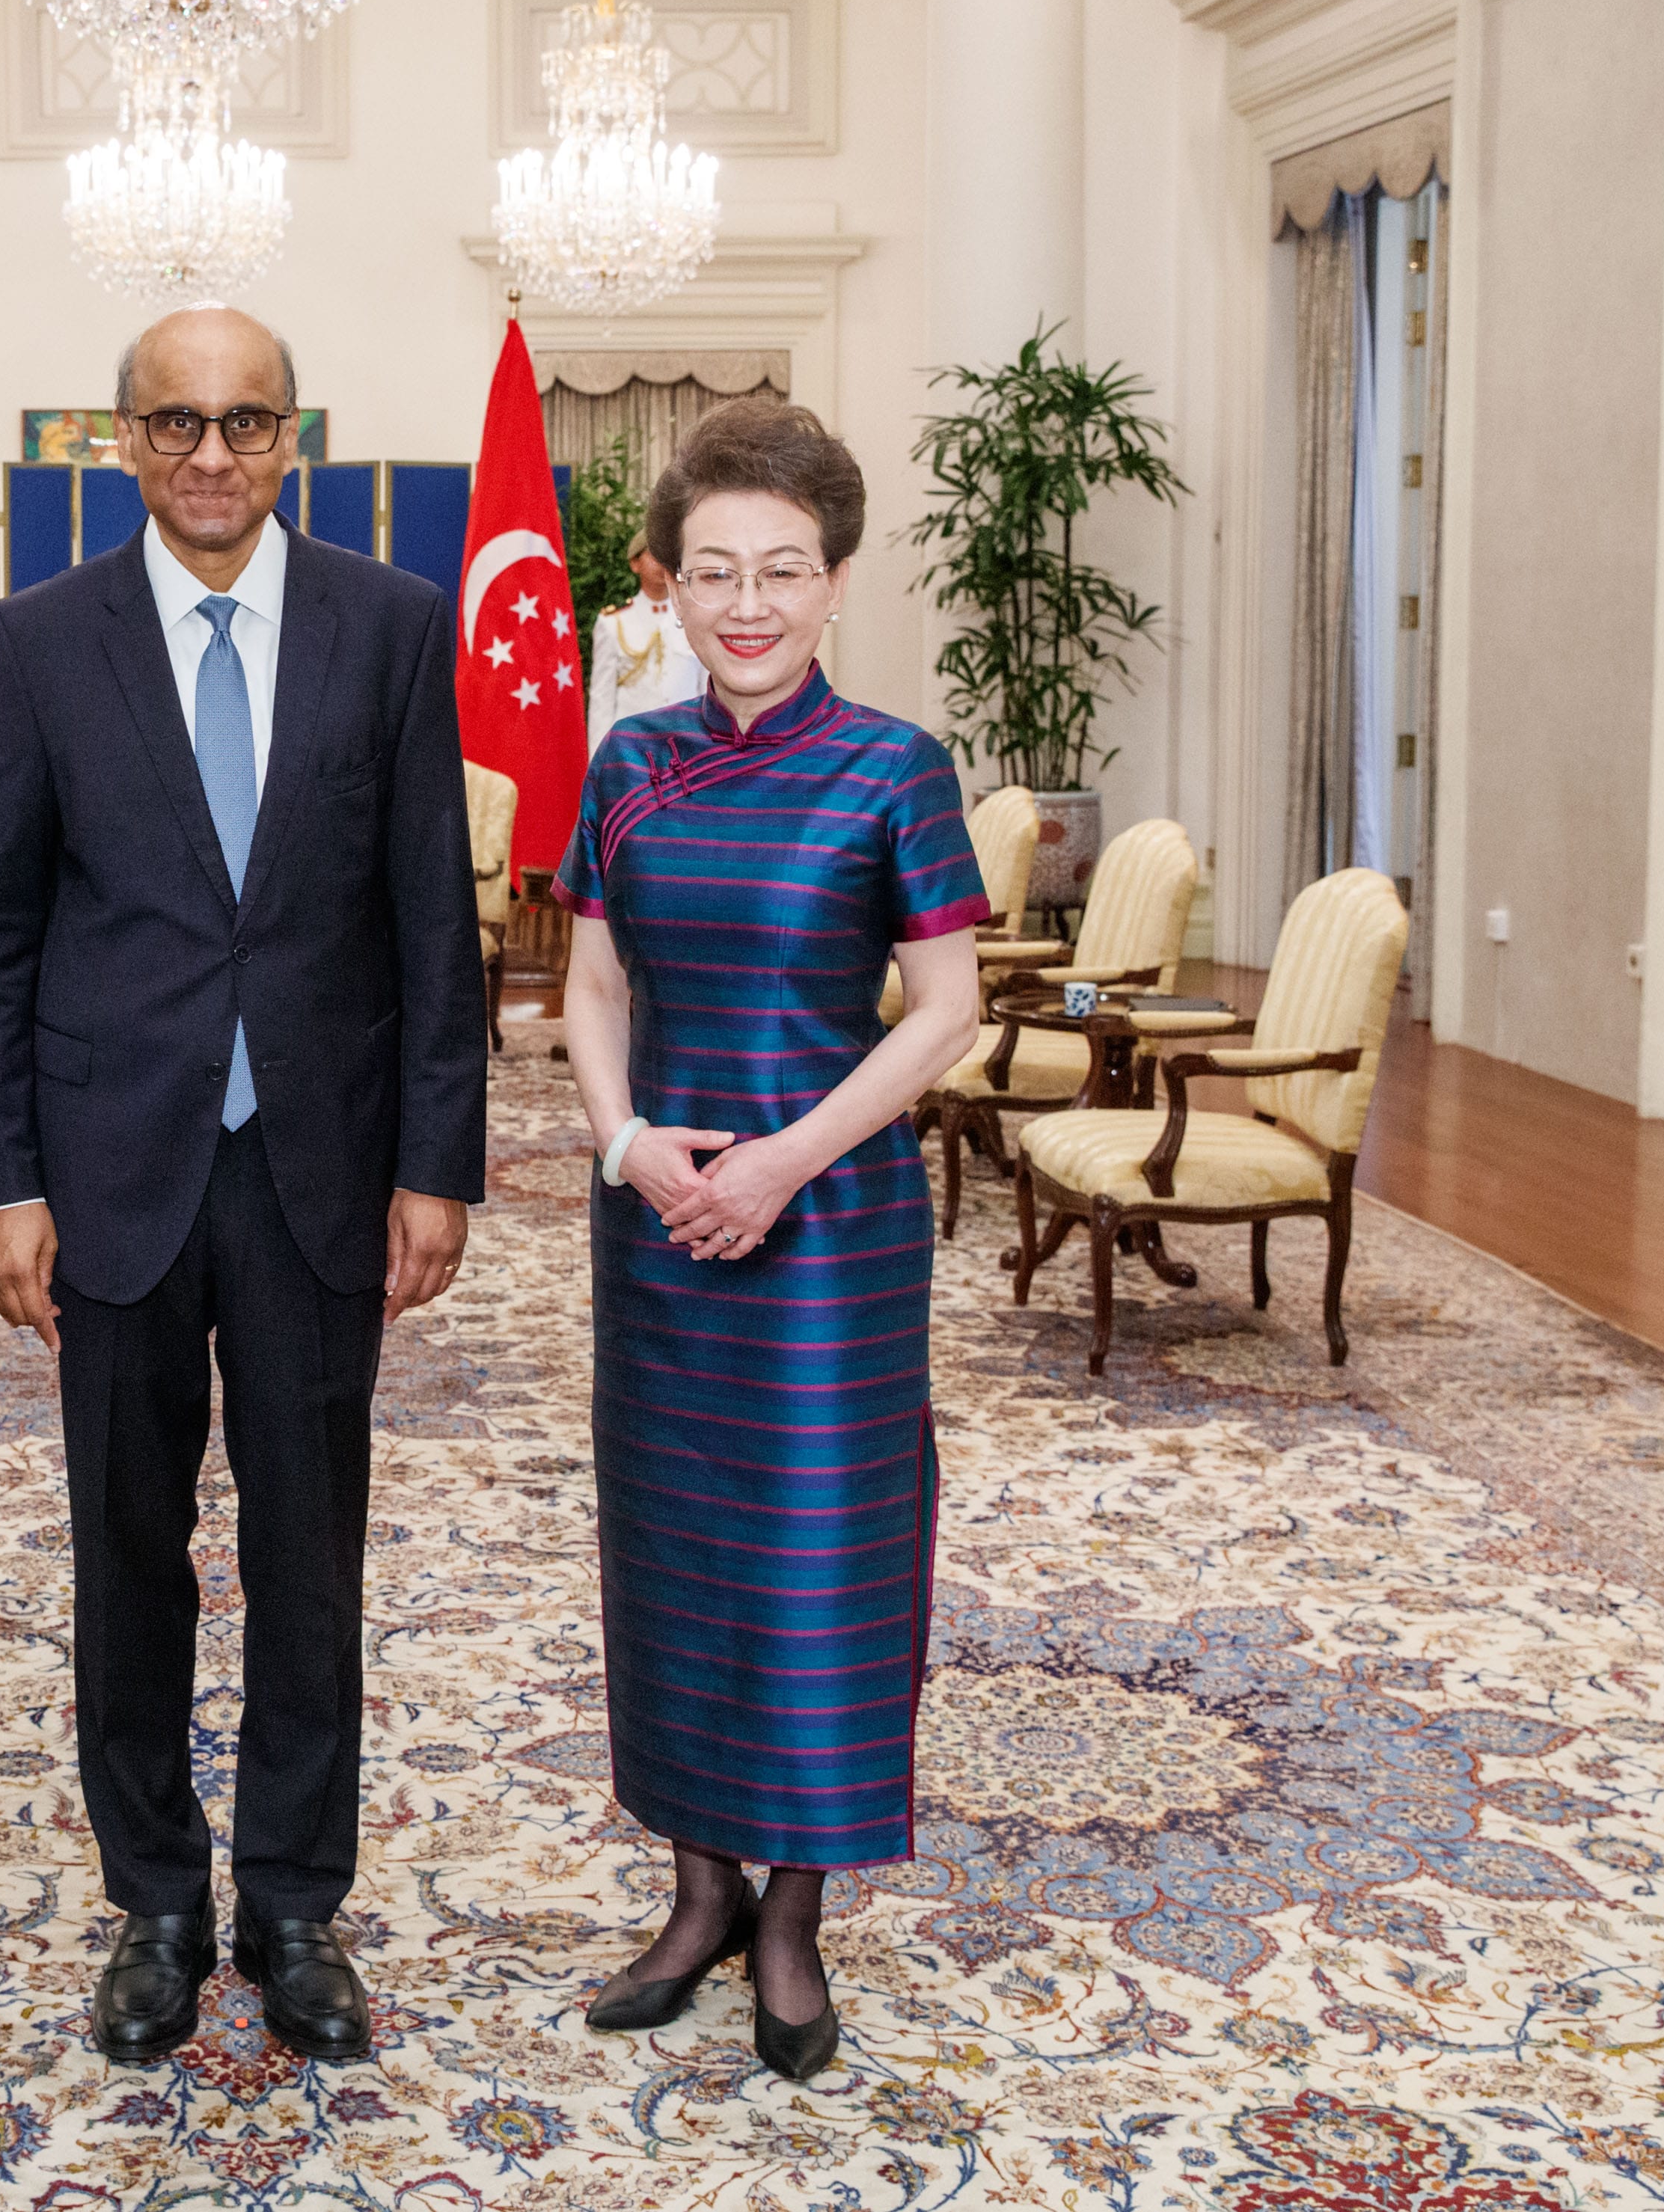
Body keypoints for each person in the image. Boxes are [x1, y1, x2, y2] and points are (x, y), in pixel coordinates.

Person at [0, 304, 489, 2066]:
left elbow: (431, 915)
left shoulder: (393, 628)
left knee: (306, 1547)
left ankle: (290, 1897)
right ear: (124, 441)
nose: (208, 451)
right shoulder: (36, 639)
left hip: (317, 1169)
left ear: (290, 441)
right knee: (127, 1550)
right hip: (109, 1172)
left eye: (244, 420)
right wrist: (4, 1179)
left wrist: (436, 1158)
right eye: (174, 422)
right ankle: (157, 1898)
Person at [552, 402, 988, 2083]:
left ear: (836, 581)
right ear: (669, 585)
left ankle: (791, 1913)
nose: (747, 604)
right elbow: (593, 985)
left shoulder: (894, 767)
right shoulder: (629, 765)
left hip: (826, 1235)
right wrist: (629, 1144)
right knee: (672, 1555)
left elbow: (940, 1009)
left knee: (820, 1568)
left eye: (783, 571)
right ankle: (693, 1890)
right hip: (663, 1217)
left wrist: (785, 1164)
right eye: (715, 571)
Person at [585, 539, 704, 744]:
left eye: (668, 556)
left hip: (686, 746)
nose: (662, 563)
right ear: (635, 563)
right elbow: (602, 700)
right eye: (653, 555)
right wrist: (599, 761)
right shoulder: (614, 623)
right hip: (632, 748)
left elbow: (705, 689)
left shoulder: (696, 619)